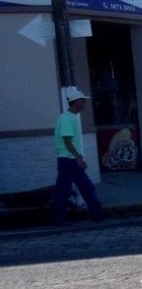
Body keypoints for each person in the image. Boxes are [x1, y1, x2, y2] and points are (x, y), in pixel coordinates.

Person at [52, 88, 105, 223]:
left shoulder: (69, 117)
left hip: (66, 160)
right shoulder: (67, 119)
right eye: (83, 101)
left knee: (64, 190)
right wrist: (79, 158)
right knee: (85, 187)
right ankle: (98, 214)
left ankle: (61, 218)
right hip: (69, 160)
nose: (84, 104)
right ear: (76, 103)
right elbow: (67, 141)